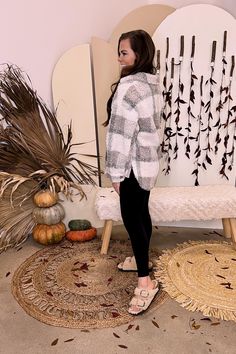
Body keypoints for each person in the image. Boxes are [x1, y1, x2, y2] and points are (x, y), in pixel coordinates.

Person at [104, 29, 161, 315]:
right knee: (142, 214)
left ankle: (145, 282)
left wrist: (115, 173)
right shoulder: (153, 84)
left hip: (131, 166)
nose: (119, 58)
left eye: (124, 52)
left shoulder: (128, 87)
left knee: (132, 219)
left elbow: (119, 135)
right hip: (148, 163)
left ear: (139, 54)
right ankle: (144, 263)